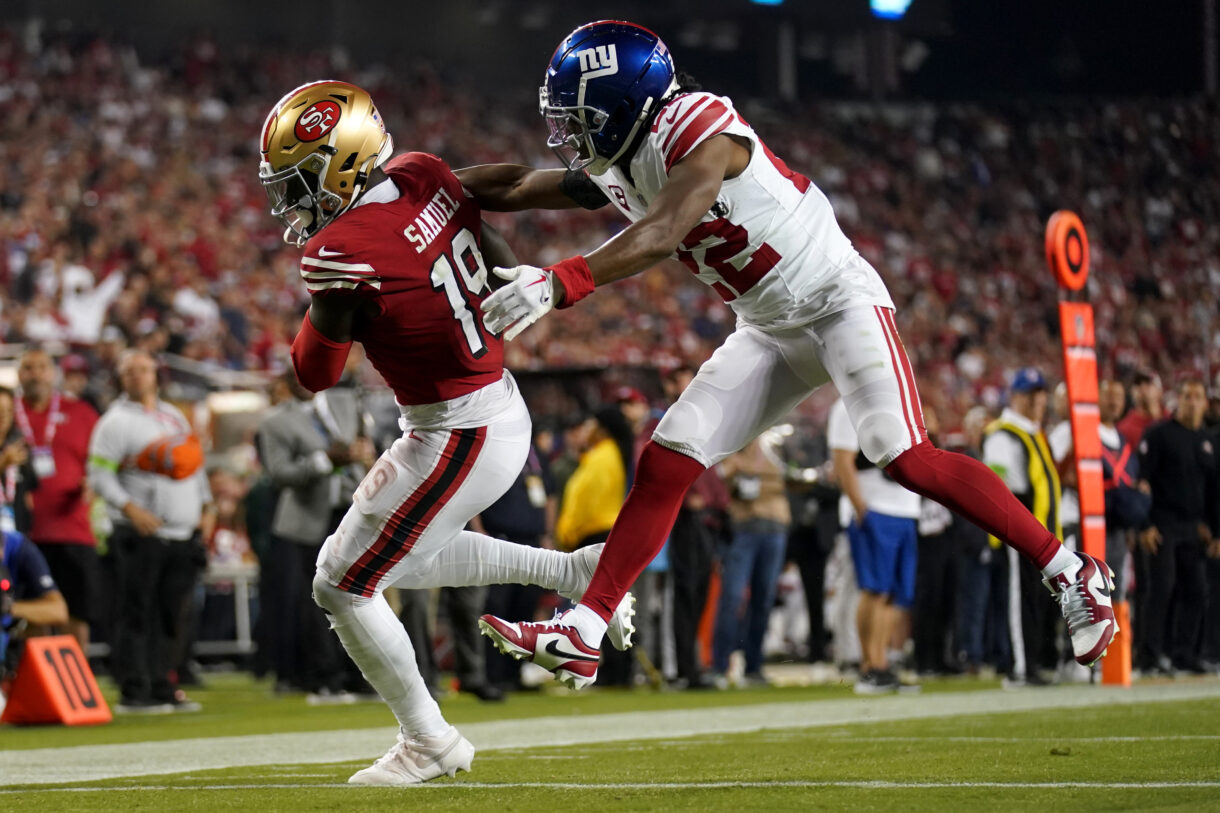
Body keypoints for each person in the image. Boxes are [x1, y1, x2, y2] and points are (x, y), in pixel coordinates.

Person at [464, 20, 1116, 689]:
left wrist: (561, 280)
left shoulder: (698, 123)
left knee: (906, 456)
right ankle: (584, 629)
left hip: (837, 300)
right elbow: (513, 187)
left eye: (582, 119)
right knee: (668, 456)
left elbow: (662, 231)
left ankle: (1071, 570)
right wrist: (412, 186)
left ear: (631, 102)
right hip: (768, 327)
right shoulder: (623, 162)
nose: (570, 137)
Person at [257, 80, 634, 786]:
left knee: (340, 583)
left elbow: (313, 371)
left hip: (455, 430)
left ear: (343, 163)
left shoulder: (337, 251)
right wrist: (592, 185)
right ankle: (571, 571)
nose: (294, 200)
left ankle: (427, 739)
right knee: (388, 561)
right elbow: (503, 199)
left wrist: (325, 294)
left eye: (301, 180)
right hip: (491, 407)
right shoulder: (422, 173)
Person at [87, 350, 213, 713]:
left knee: (172, 614)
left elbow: (194, 465)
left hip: (181, 533)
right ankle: (134, 689)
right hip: (140, 533)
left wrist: (207, 506)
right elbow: (100, 474)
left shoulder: (173, 416)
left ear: (156, 374)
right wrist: (129, 509)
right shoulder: (113, 422)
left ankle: (163, 683)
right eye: (129, 371)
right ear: (120, 378)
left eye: (143, 369)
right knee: (137, 612)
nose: (137, 376)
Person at [257, 370, 375, 700]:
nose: (302, 378)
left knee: (358, 596)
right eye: (295, 374)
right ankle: (326, 677)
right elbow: (279, 474)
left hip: (354, 511)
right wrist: (325, 460)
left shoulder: (346, 401)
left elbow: (369, 444)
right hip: (310, 520)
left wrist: (365, 452)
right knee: (318, 601)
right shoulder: (274, 421)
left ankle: (360, 675)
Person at [828, 396, 921, 694]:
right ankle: (869, 667)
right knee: (875, 589)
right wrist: (861, 508)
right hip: (876, 506)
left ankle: (880, 664)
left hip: (906, 509)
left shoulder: (899, 403)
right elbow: (842, 460)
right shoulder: (848, 405)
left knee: (894, 594)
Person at [983, 368, 1063, 686]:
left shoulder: (1032, 432)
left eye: (1041, 393)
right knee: (1020, 599)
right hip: (1017, 528)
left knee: (1034, 599)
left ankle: (1031, 662)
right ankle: (1019, 667)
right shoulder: (1003, 434)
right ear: (1014, 397)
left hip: (1039, 532)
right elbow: (999, 487)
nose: (1039, 400)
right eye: (1031, 394)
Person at [16, 348, 99, 651]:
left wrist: (94, 481)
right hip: (20, 534)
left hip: (72, 529)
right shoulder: (6, 412)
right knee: (30, 613)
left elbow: (102, 460)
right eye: (28, 368)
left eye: (41, 367)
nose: (35, 374)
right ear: (19, 374)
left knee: (75, 613)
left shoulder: (80, 413)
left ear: (53, 373)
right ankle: (36, 688)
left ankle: (78, 689)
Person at [1136, 378, 1218, 674]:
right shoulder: (1159, 435)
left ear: (1205, 404)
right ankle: (1149, 655)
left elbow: (1214, 491)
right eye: (1187, 395)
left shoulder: (1208, 442)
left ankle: (1184, 653)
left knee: (1197, 590)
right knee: (1161, 589)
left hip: (1193, 529)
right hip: (1162, 523)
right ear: (1177, 400)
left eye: (1197, 396)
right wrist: (1144, 524)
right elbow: (1141, 482)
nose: (1192, 401)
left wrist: (1217, 531)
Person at [713, 436, 791, 687]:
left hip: (775, 527)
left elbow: (790, 477)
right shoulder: (734, 442)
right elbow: (718, 478)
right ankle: (720, 665)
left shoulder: (774, 445)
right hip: (743, 528)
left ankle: (754, 666)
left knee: (764, 600)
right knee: (733, 597)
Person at [1, 528, 70, 684]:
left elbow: (58, 611)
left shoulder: (19, 547)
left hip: (8, 634)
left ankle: (24, 682)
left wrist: (8, 607)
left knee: (38, 625)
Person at [0, 387, 39, 535]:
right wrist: (3, 463)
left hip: (16, 529)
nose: (3, 416)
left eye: (8, 410)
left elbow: (30, 488)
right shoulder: (10, 455)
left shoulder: (18, 445)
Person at [1118, 371, 1167, 448]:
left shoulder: (1173, 419)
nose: (1142, 387)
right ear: (1132, 392)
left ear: (1160, 391)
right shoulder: (1124, 428)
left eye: (1148, 383)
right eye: (1138, 384)